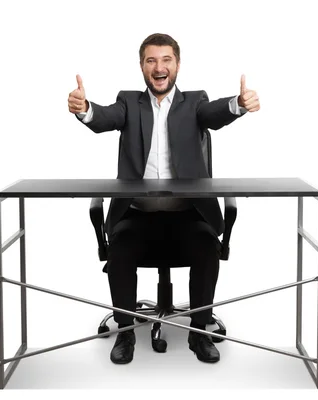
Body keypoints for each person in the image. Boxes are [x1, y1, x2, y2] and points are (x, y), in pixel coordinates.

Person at [68, 33, 260, 364]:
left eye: (166, 60)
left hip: (187, 214)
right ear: (142, 66)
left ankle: (199, 332)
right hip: (137, 214)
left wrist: (238, 105)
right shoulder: (128, 102)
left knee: (204, 244)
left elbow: (215, 114)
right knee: (122, 247)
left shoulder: (195, 102)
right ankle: (125, 331)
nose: (159, 67)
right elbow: (104, 118)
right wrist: (85, 109)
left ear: (177, 65)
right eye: (151, 60)